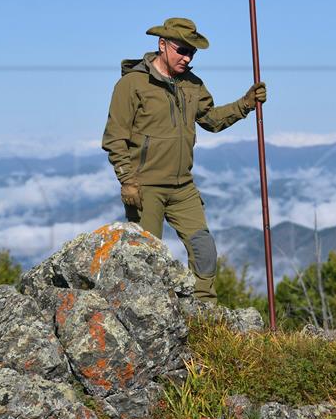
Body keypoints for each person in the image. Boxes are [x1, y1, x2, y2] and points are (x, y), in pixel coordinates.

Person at [102, 17, 267, 302]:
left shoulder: (192, 84)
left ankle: (205, 310)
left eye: (192, 52)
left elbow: (211, 120)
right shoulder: (132, 84)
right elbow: (114, 137)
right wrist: (127, 181)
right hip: (145, 188)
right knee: (144, 259)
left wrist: (245, 104)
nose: (187, 57)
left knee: (204, 248)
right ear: (162, 45)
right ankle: (145, 313)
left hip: (183, 187)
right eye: (182, 50)